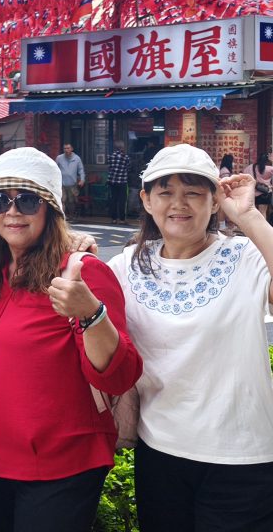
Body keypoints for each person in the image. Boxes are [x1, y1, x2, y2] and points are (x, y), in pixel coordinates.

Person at [0, 147, 142, 532]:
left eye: (27, 200)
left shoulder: (80, 272)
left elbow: (119, 376)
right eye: (1, 201)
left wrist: (91, 314)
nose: (12, 212)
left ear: (51, 209)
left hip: (63, 466)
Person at [107, 144, 273, 531]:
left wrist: (248, 216)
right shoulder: (124, 267)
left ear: (214, 202)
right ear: (147, 200)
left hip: (242, 459)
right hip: (160, 453)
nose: (179, 203)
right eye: (165, 192)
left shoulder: (245, 256)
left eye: (194, 192)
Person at [56, 143, 86, 219]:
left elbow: (81, 170)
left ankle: (72, 215)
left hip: (72, 184)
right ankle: (63, 216)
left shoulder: (76, 158)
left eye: (68, 148)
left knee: (71, 201)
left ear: (72, 149)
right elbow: (55, 168)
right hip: (62, 184)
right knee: (62, 200)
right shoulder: (59, 158)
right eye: (65, 148)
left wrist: (82, 179)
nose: (66, 150)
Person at [107, 140, 131, 224]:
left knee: (113, 199)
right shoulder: (126, 157)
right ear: (122, 147)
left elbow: (109, 167)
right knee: (122, 200)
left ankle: (113, 219)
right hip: (122, 181)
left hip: (112, 181)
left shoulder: (110, 156)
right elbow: (128, 168)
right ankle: (122, 219)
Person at [250, 150, 272, 221]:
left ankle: (257, 225)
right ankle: (262, 226)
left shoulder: (254, 167)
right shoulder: (270, 168)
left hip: (256, 192)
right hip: (266, 192)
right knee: (263, 212)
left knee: (257, 211)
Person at [218, 153, 234, 232]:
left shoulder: (223, 169)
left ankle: (223, 225)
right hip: (224, 191)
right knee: (222, 209)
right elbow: (226, 182)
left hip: (223, 191)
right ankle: (222, 226)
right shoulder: (225, 171)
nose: (233, 163)